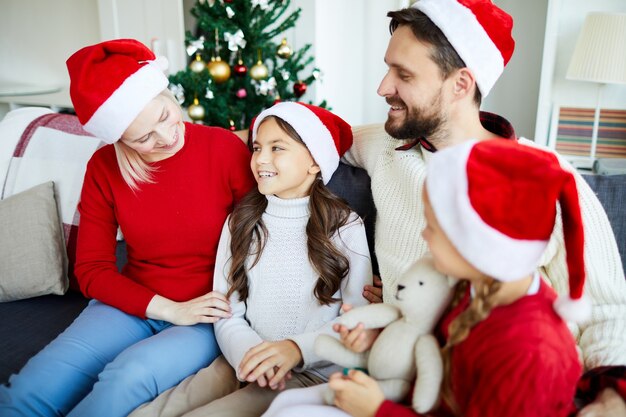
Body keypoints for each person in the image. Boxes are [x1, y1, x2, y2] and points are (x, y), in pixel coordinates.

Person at [333, 0, 626, 413]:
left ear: (460, 84)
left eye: (404, 74)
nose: (382, 87)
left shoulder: (540, 176)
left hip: (510, 387)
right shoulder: (385, 146)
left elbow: (610, 310)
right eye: (388, 68)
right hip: (401, 372)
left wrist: (611, 403)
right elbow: (301, 134)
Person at [0, 39, 256, 417]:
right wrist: (169, 309)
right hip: (131, 303)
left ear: (168, 94)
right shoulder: (104, 167)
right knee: (33, 387)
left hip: (208, 314)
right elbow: (91, 270)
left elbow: (265, 239)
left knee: (124, 380)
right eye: (143, 138)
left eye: (166, 115)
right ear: (118, 138)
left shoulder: (224, 149)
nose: (167, 137)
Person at [263, 138, 589, 417]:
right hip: (411, 398)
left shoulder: (530, 352)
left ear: (475, 244)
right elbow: (429, 345)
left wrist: (378, 410)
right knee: (286, 404)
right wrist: (382, 344)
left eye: (432, 226)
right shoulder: (471, 287)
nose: (423, 234)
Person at [128, 101, 373, 417]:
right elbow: (227, 308)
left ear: (314, 161)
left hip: (310, 372)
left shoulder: (345, 226)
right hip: (241, 359)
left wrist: (296, 350)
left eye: (277, 148)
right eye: (257, 148)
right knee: (152, 412)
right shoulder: (241, 221)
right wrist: (249, 355)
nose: (261, 159)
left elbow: (358, 319)